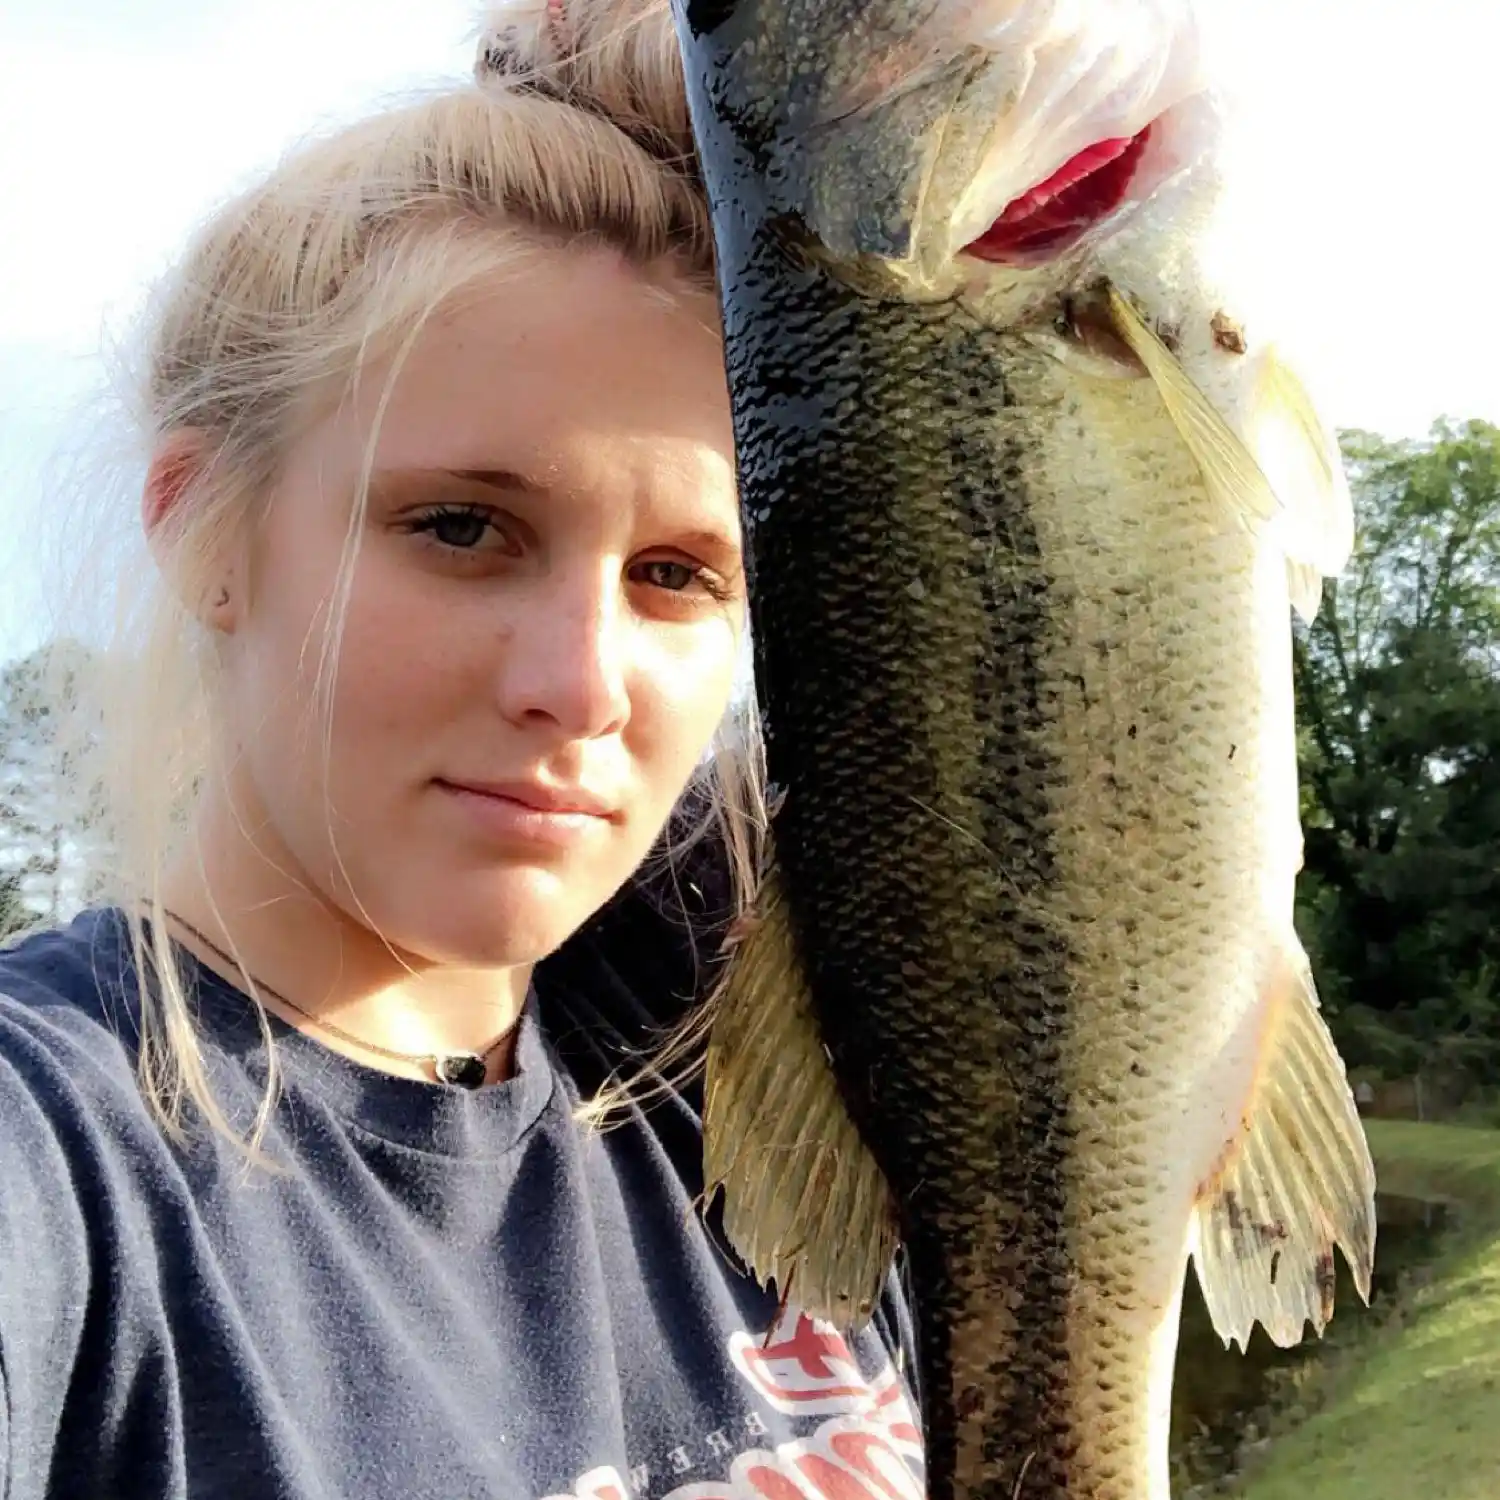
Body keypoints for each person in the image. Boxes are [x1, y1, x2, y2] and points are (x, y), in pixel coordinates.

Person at [0, 2, 925, 1497]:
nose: (580, 684)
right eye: (461, 528)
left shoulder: (749, 1116)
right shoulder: (59, 1165)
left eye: (680, 574)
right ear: (202, 529)